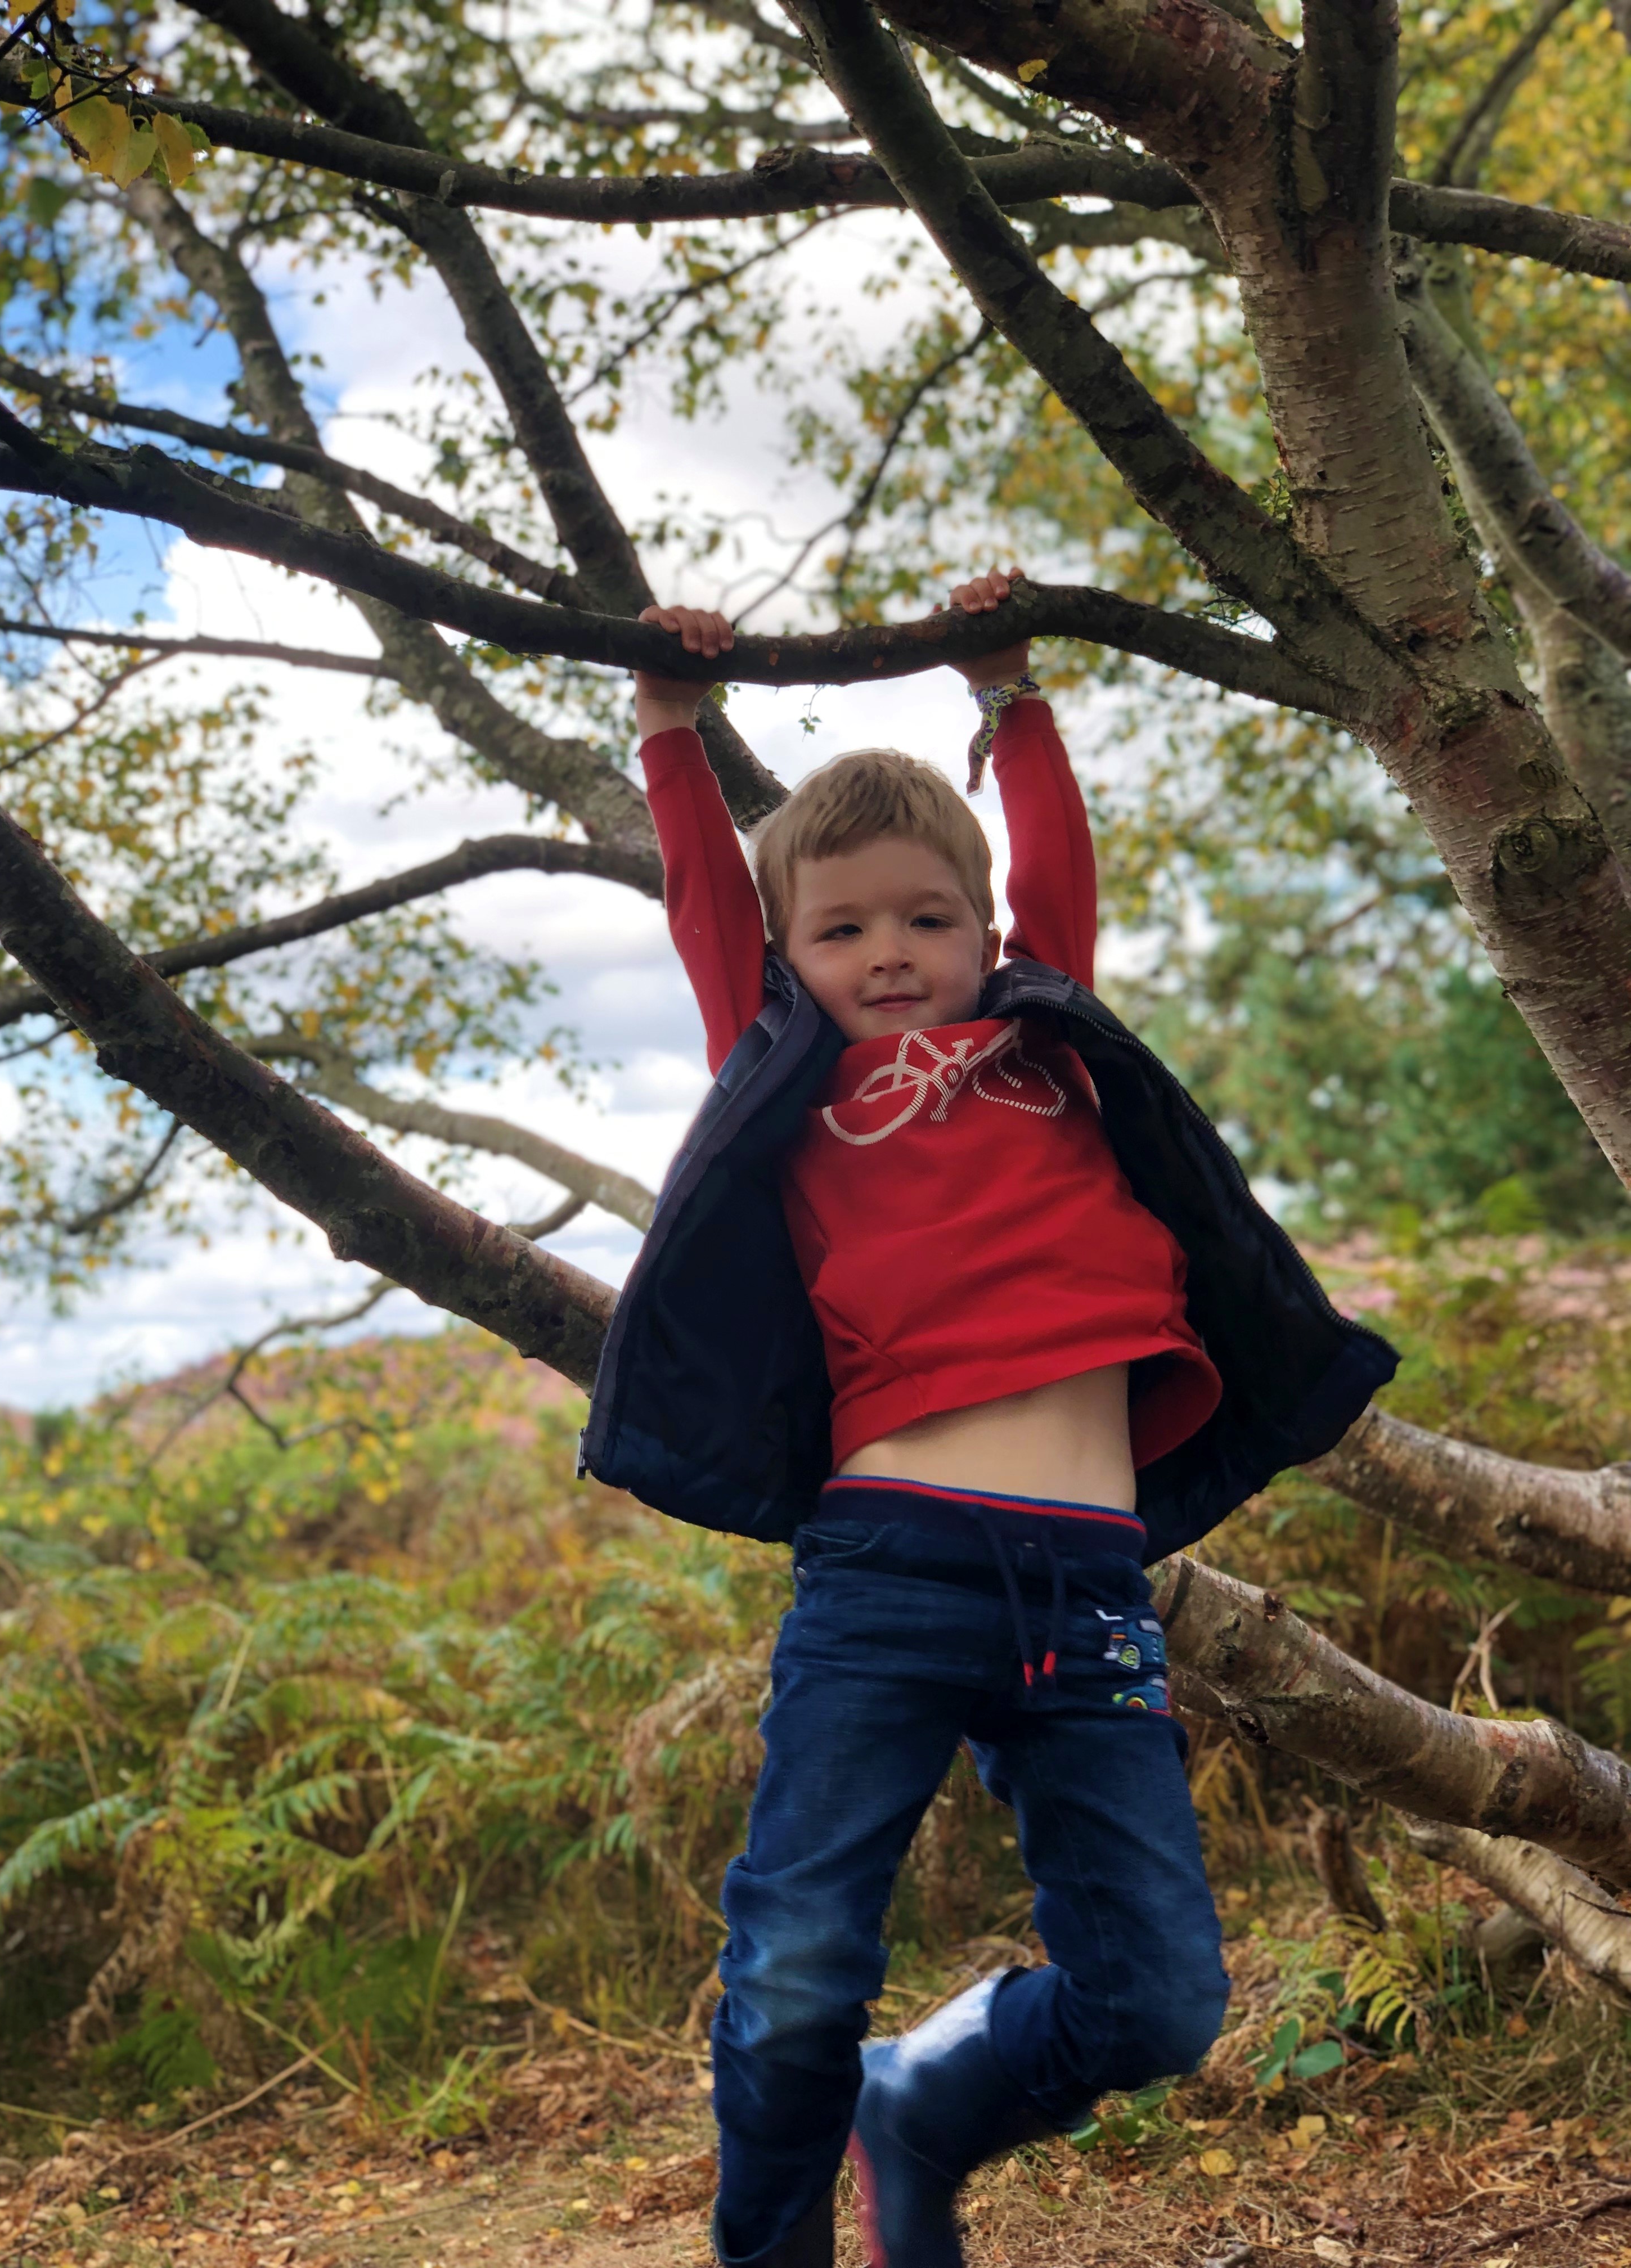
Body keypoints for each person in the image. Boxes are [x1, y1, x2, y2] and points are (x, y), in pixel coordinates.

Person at [579, 569, 1397, 2268]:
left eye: (927, 920)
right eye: (845, 928)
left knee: (1163, 2003)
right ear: (796, 957)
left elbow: (1056, 873)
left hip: (1088, 1592)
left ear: (983, 932)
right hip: (885, 1571)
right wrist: (670, 723)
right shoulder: (791, 1076)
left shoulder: (1053, 1053)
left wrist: (1009, 692)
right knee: (798, 1971)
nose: (889, 951)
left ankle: (928, 2106)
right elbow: (708, 916)